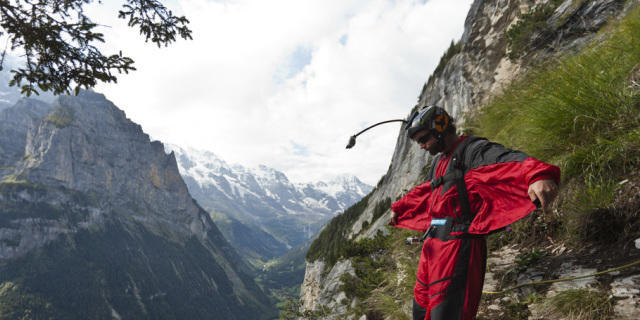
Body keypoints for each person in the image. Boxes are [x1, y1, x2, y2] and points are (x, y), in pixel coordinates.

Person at [389, 106, 560, 320]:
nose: (422, 146)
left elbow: (508, 160)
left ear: (440, 128)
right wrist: (400, 208)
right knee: (421, 311)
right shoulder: (439, 161)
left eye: (424, 139)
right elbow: (425, 192)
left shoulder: (473, 150)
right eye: (418, 142)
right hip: (432, 247)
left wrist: (538, 175)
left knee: (447, 314)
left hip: (458, 246)